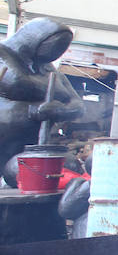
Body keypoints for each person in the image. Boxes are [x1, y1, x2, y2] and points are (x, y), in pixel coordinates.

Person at [0, 18, 84, 186]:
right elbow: (18, 82)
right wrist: (53, 96)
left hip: (28, 147)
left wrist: (59, 110)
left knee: (57, 171)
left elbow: (78, 105)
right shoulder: (3, 53)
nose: (50, 58)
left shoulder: (45, 67)